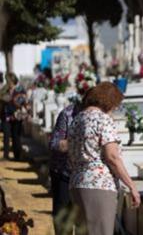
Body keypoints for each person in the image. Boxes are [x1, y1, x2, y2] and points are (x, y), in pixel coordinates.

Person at [68, 82, 140, 235]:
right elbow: (112, 156)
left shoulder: (77, 119)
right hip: (99, 184)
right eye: (116, 105)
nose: (115, 109)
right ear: (109, 101)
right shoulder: (103, 119)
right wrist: (131, 185)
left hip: (77, 182)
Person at [49, 93, 86, 235]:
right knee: (63, 216)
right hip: (63, 171)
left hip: (85, 174)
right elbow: (54, 143)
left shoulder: (100, 115)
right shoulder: (67, 114)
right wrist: (77, 143)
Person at [1, 73, 24, 160]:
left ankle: (17, 156)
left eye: (9, 81)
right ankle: (6, 156)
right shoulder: (4, 89)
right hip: (6, 116)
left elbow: (22, 101)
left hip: (17, 116)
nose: (8, 83)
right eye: (7, 81)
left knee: (16, 136)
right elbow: (1, 97)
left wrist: (11, 99)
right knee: (6, 136)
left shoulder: (20, 89)